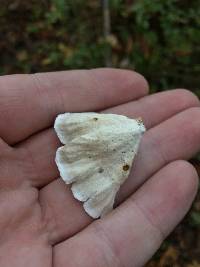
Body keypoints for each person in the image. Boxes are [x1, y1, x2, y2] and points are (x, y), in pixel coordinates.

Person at [0, 68, 199, 267]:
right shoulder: (121, 123)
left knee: (118, 170)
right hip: (106, 138)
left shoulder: (124, 129)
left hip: (113, 145)